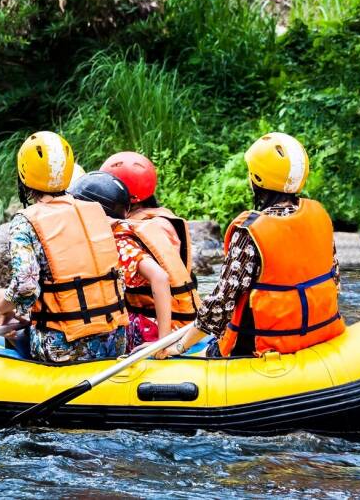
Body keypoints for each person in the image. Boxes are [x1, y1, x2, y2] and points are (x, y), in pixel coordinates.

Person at [163, 133, 345, 358]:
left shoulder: (250, 232)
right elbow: (334, 280)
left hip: (258, 347)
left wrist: (180, 346)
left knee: (209, 343)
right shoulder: (318, 214)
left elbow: (220, 304)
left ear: (257, 178)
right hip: (318, 331)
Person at [0, 132, 126, 363]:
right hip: (114, 340)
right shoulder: (94, 211)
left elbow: (25, 286)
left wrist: (3, 311)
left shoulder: (26, 221)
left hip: (62, 347)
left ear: (24, 174)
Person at [68, 171, 175, 355]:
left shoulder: (119, 242)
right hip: (155, 321)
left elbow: (160, 277)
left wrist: (162, 342)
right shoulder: (117, 230)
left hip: (153, 329)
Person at [100, 151, 201, 344]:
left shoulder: (127, 232)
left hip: (159, 325)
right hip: (188, 320)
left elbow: (159, 278)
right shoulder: (162, 219)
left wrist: (161, 342)